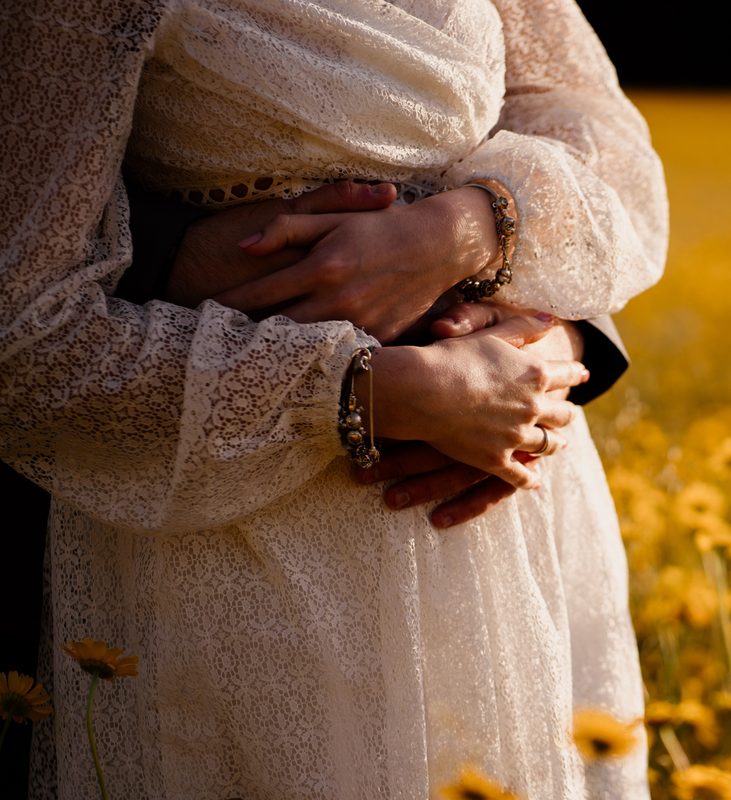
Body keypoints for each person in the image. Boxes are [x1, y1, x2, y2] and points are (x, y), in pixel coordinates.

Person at [0, 1, 668, 798]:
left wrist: (486, 233)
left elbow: (597, 130)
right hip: (236, 529)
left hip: (510, 496)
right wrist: (365, 393)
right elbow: (24, 331)